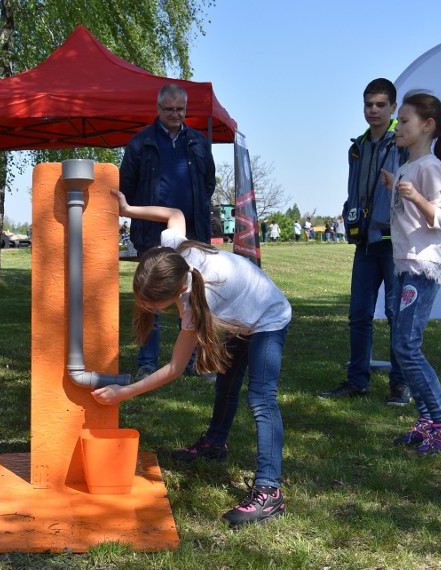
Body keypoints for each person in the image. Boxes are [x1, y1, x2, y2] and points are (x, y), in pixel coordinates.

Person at [93, 189, 292, 527]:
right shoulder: (174, 255)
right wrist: (129, 209)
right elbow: (174, 213)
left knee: (261, 399)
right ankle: (215, 444)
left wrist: (123, 393)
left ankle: (269, 491)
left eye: (152, 305)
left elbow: (173, 368)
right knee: (226, 387)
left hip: (268, 317)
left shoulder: (197, 304)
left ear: (176, 293)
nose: (147, 309)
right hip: (240, 316)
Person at [381, 92, 441, 454]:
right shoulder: (408, 167)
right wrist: (396, 187)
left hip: (423, 265)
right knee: (402, 346)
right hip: (405, 263)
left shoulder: (432, 167)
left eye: (404, 120)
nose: (398, 126)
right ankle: (428, 422)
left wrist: (418, 198)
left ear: (427, 126)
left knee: (407, 345)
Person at [319, 78, 410, 405]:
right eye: (368, 104)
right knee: (358, 314)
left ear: (393, 108)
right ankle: (357, 381)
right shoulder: (356, 147)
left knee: (396, 313)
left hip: (394, 241)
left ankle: (400, 384)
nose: (373, 110)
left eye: (380, 105)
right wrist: (349, 213)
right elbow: (353, 189)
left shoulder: (403, 141)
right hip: (365, 243)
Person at [120, 83, 216, 381]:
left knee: (195, 294)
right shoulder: (141, 143)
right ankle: (147, 361)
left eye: (180, 109)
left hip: (193, 233)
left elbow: (209, 183)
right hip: (152, 234)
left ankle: (193, 362)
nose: (175, 114)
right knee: (151, 297)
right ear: (157, 109)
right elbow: (127, 186)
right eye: (169, 109)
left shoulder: (199, 142)